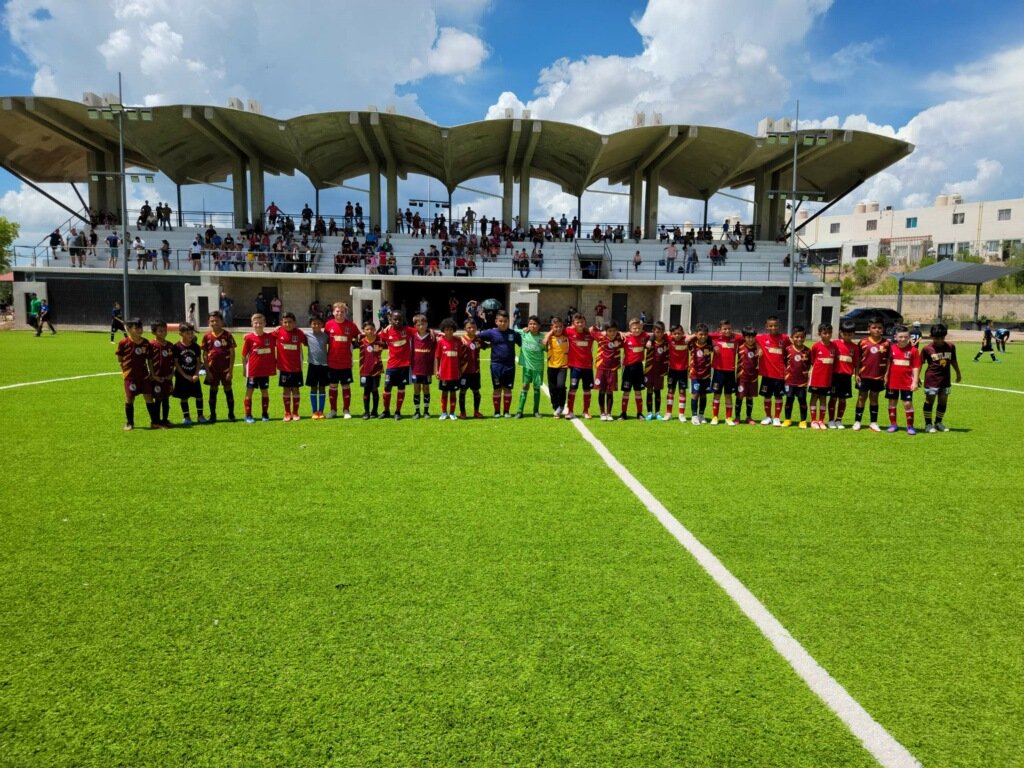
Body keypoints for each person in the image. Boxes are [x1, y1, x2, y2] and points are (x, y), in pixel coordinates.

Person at [116, 319, 160, 430]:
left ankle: (154, 422)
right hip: (130, 376)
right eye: (136, 328)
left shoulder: (146, 343)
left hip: (144, 375)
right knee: (130, 398)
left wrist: (152, 373)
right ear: (129, 329)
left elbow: (149, 360)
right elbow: (120, 359)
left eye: (140, 328)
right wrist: (124, 371)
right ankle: (129, 423)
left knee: (149, 397)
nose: (139, 330)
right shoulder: (123, 342)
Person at [477, 310, 521, 417]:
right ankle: (496, 412)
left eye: (505, 321)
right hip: (496, 365)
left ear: (508, 321)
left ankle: (506, 412)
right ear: (496, 321)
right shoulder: (491, 333)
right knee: (497, 388)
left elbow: (523, 343)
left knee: (507, 388)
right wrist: (485, 346)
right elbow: (477, 337)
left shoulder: (513, 334)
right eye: (500, 321)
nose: (503, 323)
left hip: (509, 366)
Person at [919, 323, 962, 433]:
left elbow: (953, 361)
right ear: (931, 336)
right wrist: (917, 377)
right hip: (932, 379)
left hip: (945, 380)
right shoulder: (927, 349)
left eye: (942, 338)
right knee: (929, 401)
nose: (939, 341)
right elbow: (920, 363)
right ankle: (928, 424)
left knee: (943, 401)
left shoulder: (951, 347)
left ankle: (938, 422)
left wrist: (958, 373)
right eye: (936, 338)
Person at [852, 317, 889, 432]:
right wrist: (856, 374)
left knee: (874, 397)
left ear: (883, 329)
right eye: (874, 327)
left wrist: (886, 375)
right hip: (863, 375)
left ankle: (873, 422)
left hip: (878, 376)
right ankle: (857, 421)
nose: (877, 330)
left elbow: (889, 360)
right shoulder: (863, 342)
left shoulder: (886, 343)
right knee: (861, 397)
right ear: (869, 329)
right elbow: (858, 359)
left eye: (879, 328)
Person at [324, 302, 360, 419]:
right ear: (333, 312)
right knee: (333, 386)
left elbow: (359, 337)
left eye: (342, 312)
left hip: (346, 363)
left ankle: (346, 410)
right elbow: (323, 339)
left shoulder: (351, 325)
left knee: (346, 386)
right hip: (332, 362)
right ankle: (333, 410)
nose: (340, 313)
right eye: (337, 311)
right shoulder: (328, 325)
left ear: (346, 313)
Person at [378, 311, 416, 419]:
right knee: (387, 387)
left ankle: (398, 412)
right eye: (395, 319)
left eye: (399, 319)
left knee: (401, 388)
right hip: (391, 366)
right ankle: (386, 411)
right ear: (390, 320)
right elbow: (376, 338)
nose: (397, 321)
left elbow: (421, 331)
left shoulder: (407, 330)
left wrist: (431, 331)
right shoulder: (387, 332)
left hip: (404, 365)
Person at [885, 325, 922, 434]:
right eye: (900, 337)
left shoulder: (914, 350)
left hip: (907, 382)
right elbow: (888, 364)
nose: (903, 339)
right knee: (892, 402)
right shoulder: (891, 349)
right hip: (892, 382)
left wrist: (915, 381)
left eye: (905, 337)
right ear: (895, 337)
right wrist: (885, 376)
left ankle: (910, 427)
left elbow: (916, 367)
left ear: (909, 337)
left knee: (907, 403)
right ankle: (893, 424)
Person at [563, 313, 601, 419]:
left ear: (585, 322)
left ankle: (586, 411)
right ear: (573, 323)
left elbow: (603, 336)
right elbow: (556, 330)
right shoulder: (568, 331)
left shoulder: (590, 333)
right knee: (573, 389)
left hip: (587, 367)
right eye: (577, 322)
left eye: (582, 322)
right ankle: (570, 411)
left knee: (587, 390)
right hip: (575, 367)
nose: (580, 324)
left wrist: (623, 333)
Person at [201, 310, 237, 423]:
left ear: (222, 321)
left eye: (217, 321)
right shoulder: (206, 336)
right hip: (212, 369)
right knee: (213, 389)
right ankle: (213, 415)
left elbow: (232, 353)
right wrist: (207, 371)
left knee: (228, 388)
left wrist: (230, 371)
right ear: (208, 322)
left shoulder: (227, 335)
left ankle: (231, 414)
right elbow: (205, 355)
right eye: (212, 321)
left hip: (225, 369)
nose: (214, 323)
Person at [273, 312, 308, 421]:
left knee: (296, 389)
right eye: (285, 322)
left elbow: (308, 342)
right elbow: (265, 337)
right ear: (281, 322)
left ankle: (296, 413)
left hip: (297, 367)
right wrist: (248, 335)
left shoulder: (299, 333)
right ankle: (287, 413)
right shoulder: (278, 332)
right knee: (286, 389)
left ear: (294, 323)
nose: (287, 324)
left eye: (290, 322)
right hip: (284, 368)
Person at [756, 316, 789, 426]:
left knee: (778, 396)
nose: (773, 328)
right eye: (771, 326)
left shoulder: (785, 338)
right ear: (766, 326)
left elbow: (791, 349)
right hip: (767, 374)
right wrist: (758, 348)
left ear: (779, 326)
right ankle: (768, 416)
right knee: (767, 396)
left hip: (780, 374)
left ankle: (777, 418)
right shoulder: (761, 338)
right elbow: (748, 338)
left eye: (775, 325)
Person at [827, 321, 860, 429]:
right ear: (840, 333)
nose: (847, 336)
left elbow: (856, 364)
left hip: (846, 377)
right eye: (844, 334)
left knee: (842, 399)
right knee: (833, 398)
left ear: (853, 334)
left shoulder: (855, 348)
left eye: (849, 334)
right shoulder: (834, 344)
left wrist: (857, 375)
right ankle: (831, 420)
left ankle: (839, 420)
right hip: (835, 376)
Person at [709, 319, 742, 425]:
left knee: (728, 395)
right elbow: (704, 336)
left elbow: (746, 336)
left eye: (729, 329)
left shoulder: (736, 338)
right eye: (725, 329)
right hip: (718, 371)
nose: (727, 331)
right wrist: (713, 345)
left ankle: (728, 418)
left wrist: (734, 333)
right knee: (717, 395)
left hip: (730, 372)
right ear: (719, 330)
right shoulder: (715, 337)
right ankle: (715, 417)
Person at [172, 322, 205, 424]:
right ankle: (186, 417)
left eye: (191, 333)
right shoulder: (176, 347)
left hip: (194, 376)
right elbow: (176, 363)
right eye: (187, 333)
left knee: (199, 396)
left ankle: (200, 416)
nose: (190, 335)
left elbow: (198, 362)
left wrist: (196, 374)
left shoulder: (196, 347)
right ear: (180, 333)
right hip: (182, 377)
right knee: (184, 397)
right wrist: (185, 375)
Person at [514, 315, 546, 418]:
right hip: (527, 367)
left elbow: (548, 349)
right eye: (530, 324)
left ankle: (536, 411)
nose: (532, 326)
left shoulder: (543, 337)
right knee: (525, 386)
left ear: (539, 326)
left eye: (535, 324)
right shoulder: (524, 333)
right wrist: (523, 329)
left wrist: (547, 343)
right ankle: (520, 411)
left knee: (536, 388)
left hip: (538, 367)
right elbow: (512, 330)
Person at [807, 323, 837, 429]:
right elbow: (812, 361)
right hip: (816, 377)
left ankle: (821, 421)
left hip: (827, 378)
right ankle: (813, 420)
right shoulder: (816, 346)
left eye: (829, 333)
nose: (827, 335)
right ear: (819, 334)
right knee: (814, 396)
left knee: (823, 397)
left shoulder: (834, 346)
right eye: (825, 333)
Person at [434, 318, 465, 420]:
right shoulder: (440, 342)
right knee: (444, 392)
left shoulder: (458, 341)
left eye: (451, 329)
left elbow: (460, 357)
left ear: (454, 330)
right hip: (444, 373)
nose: (449, 331)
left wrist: (460, 370)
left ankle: (452, 412)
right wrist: (436, 371)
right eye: (446, 329)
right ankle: (444, 412)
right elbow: (437, 357)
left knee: (453, 392)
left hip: (455, 373)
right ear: (443, 330)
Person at [619, 318, 649, 420]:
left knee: (638, 391)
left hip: (639, 368)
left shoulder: (644, 336)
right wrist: (620, 333)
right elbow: (613, 336)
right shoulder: (626, 337)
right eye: (634, 328)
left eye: (639, 328)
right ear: (630, 328)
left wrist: (650, 341)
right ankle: (623, 413)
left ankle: (639, 413)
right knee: (626, 392)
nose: (637, 330)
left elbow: (654, 335)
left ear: (642, 328)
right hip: (627, 369)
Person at [782, 326, 811, 428]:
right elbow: (784, 362)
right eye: (797, 337)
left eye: (802, 337)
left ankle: (803, 421)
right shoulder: (787, 349)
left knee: (802, 400)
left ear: (805, 337)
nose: (799, 339)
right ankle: (787, 420)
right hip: (790, 381)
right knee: (789, 400)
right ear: (792, 337)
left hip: (802, 381)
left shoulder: (808, 351)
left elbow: (809, 364)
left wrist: (804, 373)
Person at [594, 322, 623, 421]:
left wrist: (621, 333)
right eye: (609, 331)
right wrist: (601, 331)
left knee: (610, 392)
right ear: (606, 331)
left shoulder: (619, 338)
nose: (612, 333)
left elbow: (629, 334)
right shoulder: (600, 337)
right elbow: (591, 329)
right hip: (601, 368)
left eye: (614, 331)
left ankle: (609, 413)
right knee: (602, 391)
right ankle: (602, 413)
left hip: (613, 369)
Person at [148, 321, 175, 427]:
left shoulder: (170, 345)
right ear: (154, 332)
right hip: (157, 377)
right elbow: (149, 361)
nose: (163, 332)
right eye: (160, 331)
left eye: (164, 330)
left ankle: (165, 420)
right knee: (158, 399)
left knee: (166, 399)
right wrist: (153, 375)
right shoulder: (151, 345)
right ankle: (156, 421)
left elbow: (173, 362)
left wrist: (172, 374)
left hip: (167, 377)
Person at [410, 314, 437, 418]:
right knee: (416, 389)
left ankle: (426, 411)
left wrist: (432, 331)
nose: (421, 326)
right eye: (418, 325)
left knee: (426, 388)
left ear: (427, 324)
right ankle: (417, 411)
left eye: (423, 324)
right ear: (415, 326)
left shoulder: (432, 336)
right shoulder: (412, 336)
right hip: (415, 368)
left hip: (427, 368)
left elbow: (444, 334)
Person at [458, 319, 485, 418]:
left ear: (476, 328)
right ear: (465, 329)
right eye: (469, 327)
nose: (472, 329)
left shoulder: (478, 340)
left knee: (476, 391)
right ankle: (462, 412)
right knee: (462, 391)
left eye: (473, 327)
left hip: (475, 371)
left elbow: (488, 345)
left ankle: (476, 411)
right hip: (464, 372)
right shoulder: (461, 340)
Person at [687, 324, 713, 424]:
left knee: (703, 395)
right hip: (695, 374)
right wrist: (694, 335)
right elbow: (686, 340)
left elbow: (714, 341)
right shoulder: (692, 344)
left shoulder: (709, 345)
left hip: (706, 374)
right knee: (695, 395)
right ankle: (694, 416)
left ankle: (701, 415)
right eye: (700, 334)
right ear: (696, 334)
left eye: (705, 334)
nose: (703, 336)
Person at [305, 315, 329, 419]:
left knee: (322, 388)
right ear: (310, 325)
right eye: (314, 323)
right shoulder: (307, 335)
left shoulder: (326, 336)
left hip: (324, 365)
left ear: (322, 325)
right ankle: (314, 411)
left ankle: (321, 411)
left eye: (319, 323)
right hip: (312, 365)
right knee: (313, 387)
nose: (316, 325)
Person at [644, 322, 670, 420]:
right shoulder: (648, 341)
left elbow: (670, 334)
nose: (659, 334)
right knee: (649, 391)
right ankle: (649, 412)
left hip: (660, 371)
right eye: (657, 332)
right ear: (653, 331)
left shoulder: (666, 341)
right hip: (649, 370)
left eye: (661, 332)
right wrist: (650, 339)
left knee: (658, 391)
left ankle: (658, 412)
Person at [358, 322, 383, 419]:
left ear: (375, 330)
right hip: (364, 371)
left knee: (374, 390)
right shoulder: (360, 341)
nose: (370, 331)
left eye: (371, 329)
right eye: (367, 329)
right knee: (366, 390)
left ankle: (374, 411)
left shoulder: (379, 341)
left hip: (376, 370)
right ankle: (366, 412)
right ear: (363, 331)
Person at [666, 325, 689, 422]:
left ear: (682, 333)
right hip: (672, 370)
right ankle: (668, 413)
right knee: (670, 391)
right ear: (672, 334)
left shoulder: (686, 340)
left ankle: (681, 414)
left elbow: (696, 335)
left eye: (679, 333)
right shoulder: (669, 339)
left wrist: (689, 336)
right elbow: (656, 334)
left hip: (683, 370)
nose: (677, 335)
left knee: (682, 392)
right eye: (675, 334)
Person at [736, 328, 759, 424]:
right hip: (742, 377)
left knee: (750, 397)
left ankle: (749, 417)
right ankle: (737, 417)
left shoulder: (758, 347)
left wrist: (759, 347)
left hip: (753, 377)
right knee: (740, 397)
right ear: (744, 337)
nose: (750, 339)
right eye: (748, 337)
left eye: (752, 337)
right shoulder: (739, 346)